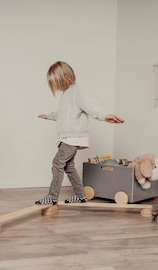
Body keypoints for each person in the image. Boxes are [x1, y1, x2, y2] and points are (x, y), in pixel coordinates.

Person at [35, 61, 124, 205]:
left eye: (56, 82)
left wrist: (104, 115)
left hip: (73, 138)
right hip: (68, 138)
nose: (56, 86)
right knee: (68, 166)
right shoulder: (67, 95)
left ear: (65, 77)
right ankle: (81, 195)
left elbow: (91, 106)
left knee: (57, 163)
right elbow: (63, 113)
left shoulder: (77, 92)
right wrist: (48, 115)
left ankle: (52, 197)